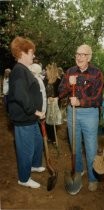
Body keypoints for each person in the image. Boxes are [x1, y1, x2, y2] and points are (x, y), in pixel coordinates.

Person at [58, 44, 104, 192]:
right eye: (77, 54)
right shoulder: (70, 71)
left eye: (82, 54)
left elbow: (98, 99)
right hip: (73, 113)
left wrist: (80, 102)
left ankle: (92, 178)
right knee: (74, 144)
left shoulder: (96, 73)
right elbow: (61, 92)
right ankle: (78, 170)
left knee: (91, 147)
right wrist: (68, 85)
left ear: (89, 57)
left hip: (90, 114)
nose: (79, 57)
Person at [8, 36, 45, 189]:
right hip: (24, 118)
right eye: (31, 53)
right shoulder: (18, 71)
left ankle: (34, 165)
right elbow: (20, 94)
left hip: (30, 118)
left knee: (37, 142)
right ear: (22, 53)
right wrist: (35, 111)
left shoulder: (24, 70)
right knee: (26, 149)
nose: (34, 55)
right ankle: (24, 178)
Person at [44, 62, 62, 144]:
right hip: (46, 103)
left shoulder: (58, 80)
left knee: (52, 120)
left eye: (47, 70)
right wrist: (47, 97)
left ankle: (53, 138)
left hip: (55, 103)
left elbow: (61, 93)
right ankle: (49, 137)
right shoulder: (45, 80)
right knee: (47, 120)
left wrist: (56, 98)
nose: (46, 71)